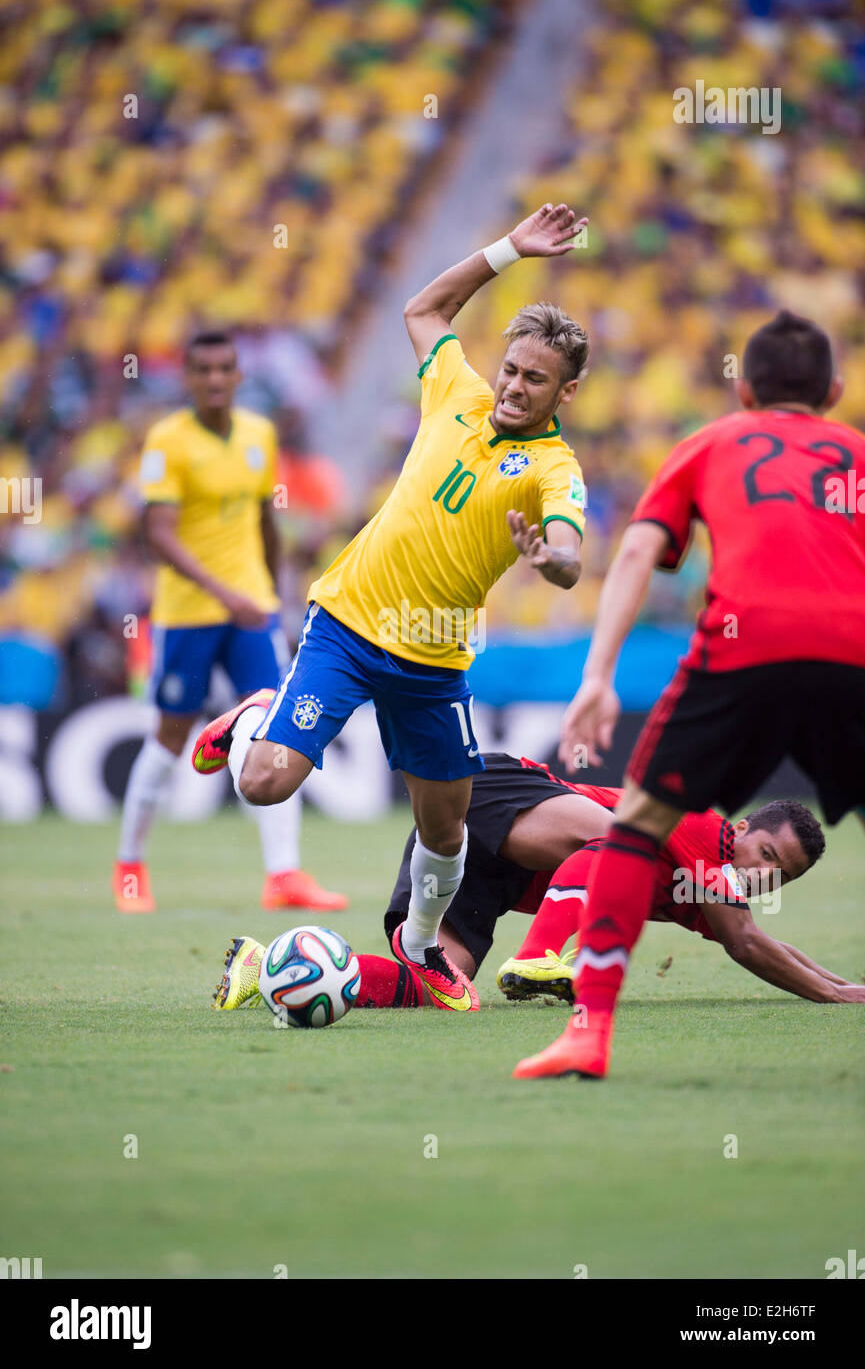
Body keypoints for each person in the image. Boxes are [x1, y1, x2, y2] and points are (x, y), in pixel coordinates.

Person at [193, 203, 590, 1012]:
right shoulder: (456, 390)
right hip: (346, 625)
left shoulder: (556, 468)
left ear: (566, 391)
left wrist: (550, 557)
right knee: (265, 783)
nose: (514, 385)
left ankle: (420, 952)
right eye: (511, 368)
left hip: (434, 656)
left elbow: (569, 557)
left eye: (534, 378)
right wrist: (509, 246)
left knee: (446, 834)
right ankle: (247, 724)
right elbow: (424, 309)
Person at [515, 309, 865, 1081]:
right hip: (852, 647)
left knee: (634, 831)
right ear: (834, 391)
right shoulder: (858, 455)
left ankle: (588, 1032)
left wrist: (597, 676)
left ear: (742, 388)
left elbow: (640, 548)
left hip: (738, 650)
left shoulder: (709, 444)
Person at [210, 754, 860, 1013]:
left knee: (440, 988)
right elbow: (746, 941)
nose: (761, 873)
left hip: (484, 867)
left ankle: (263, 964)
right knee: (620, 839)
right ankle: (538, 955)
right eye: (765, 853)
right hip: (500, 796)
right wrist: (835, 998)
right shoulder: (700, 831)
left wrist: (838, 982)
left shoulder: (708, 894)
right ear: (742, 828)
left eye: (780, 875)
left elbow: (748, 939)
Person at [113, 330, 346, 915]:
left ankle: (283, 877)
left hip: (252, 613)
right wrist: (226, 594)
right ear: (189, 378)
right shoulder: (166, 441)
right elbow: (158, 534)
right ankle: (130, 869)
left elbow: (266, 520)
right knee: (169, 736)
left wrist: (273, 596)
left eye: (225, 369)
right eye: (204, 370)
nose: (216, 379)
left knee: (276, 728)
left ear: (239, 375)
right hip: (188, 614)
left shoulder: (258, 434)